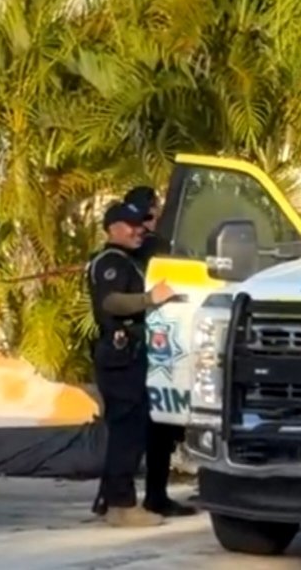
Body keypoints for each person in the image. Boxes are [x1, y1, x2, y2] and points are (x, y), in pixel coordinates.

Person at [87, 201, 176, 527]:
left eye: (141, 223)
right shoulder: (110, 262)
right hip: (118, 354)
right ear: (112, 228)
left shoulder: (131, 259)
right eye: (131, 224)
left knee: (133, 430)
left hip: (133, 354)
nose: (139, 229)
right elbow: (111, 302)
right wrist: (150, 298)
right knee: (126, 431)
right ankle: (121, 505)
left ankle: (114, 500)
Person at [122, 186, 198, 518]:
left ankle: (126, 497)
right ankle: (150, 496)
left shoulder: (126, 253)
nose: (147, 225)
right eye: (146, 217)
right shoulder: (155, 249)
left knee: (151, 428)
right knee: (157, 428)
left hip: (151, 346)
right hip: (156, 348)